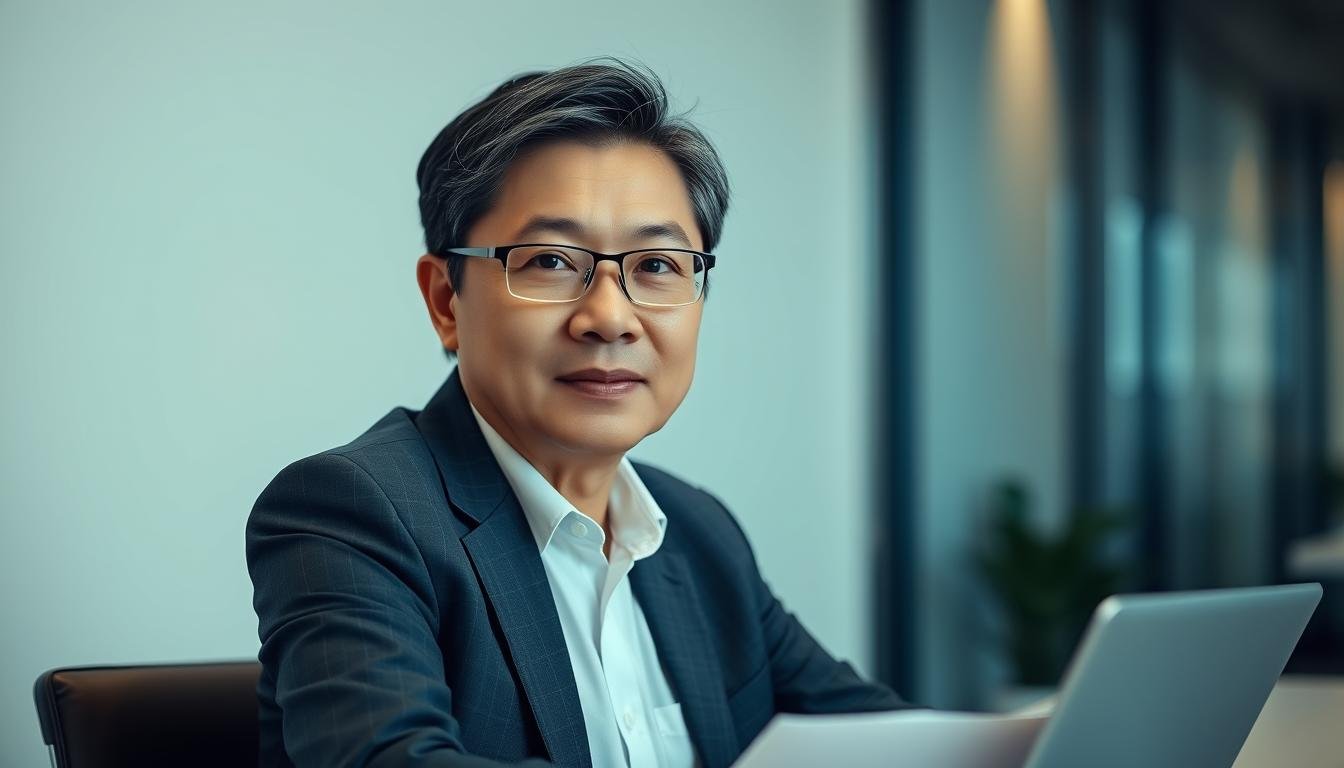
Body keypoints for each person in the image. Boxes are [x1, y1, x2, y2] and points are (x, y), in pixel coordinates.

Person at [246, 58, 913, 768]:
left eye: (657, 266)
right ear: (447, 300)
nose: (609, 317)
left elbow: (898, 747)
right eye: (552, 262)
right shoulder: (352, 514)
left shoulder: (698, 535)